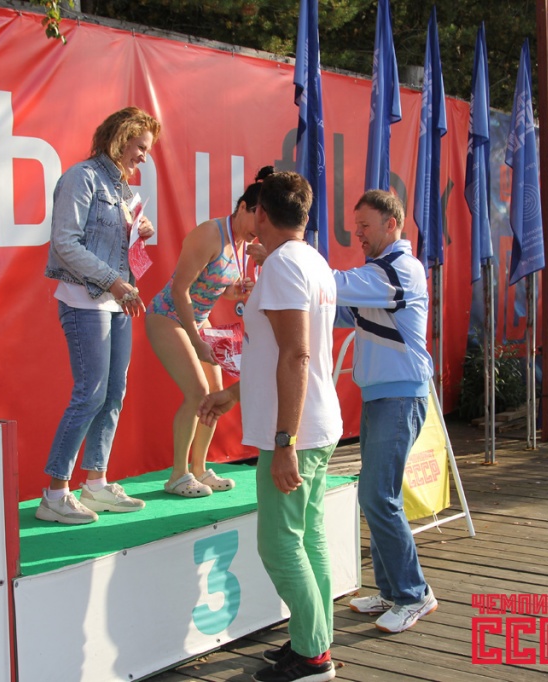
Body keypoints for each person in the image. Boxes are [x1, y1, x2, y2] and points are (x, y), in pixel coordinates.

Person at [199, 172, 342, 682]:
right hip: (315, 425)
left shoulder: (282, 266)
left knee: (280, 545)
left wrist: (285, 442)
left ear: (261, 213)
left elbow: (296, 355)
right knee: (309, 539)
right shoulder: (311, 261)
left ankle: (313, 655)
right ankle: (313, 640)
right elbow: (277, 354)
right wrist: (232, 394)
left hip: (296, 432)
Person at [35, 107, 161, 525]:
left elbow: (114, 247)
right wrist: (113, 281)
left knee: (113, 393)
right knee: (90, 393)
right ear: (120, 138)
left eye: (147, 150)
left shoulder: (124, 190)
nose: (144, 156)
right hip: (85, 299)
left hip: (117, 300)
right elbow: (65, 242)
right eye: (140, 147)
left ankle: (96, 482)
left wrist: (138, 234)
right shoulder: (81, 177)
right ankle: (55, 493)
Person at [333, 190, 437, 633]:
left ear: (391, 224)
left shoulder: (399, 269)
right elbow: (342, 311)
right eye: (356, 226)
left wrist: (290, 264)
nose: (357, 234)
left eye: (364, 226)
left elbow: (334, 286)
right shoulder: (381, 273)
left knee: (379, 496)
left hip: (400, 397)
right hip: (383, 396)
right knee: (376, 496)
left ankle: (414, 595)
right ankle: (393, 590)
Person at [145, 167, 272, 498]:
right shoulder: (209, 233)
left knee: (216, 393)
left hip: (198, 319)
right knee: (198, 391)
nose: (259, 229)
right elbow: (180, 290)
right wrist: (197, 339)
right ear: (242, 207)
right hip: (167, 315)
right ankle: (178, 475)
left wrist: (235, 291)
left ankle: (199, 469)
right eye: (257, 218)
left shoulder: (242, 242)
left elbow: (215, 287)